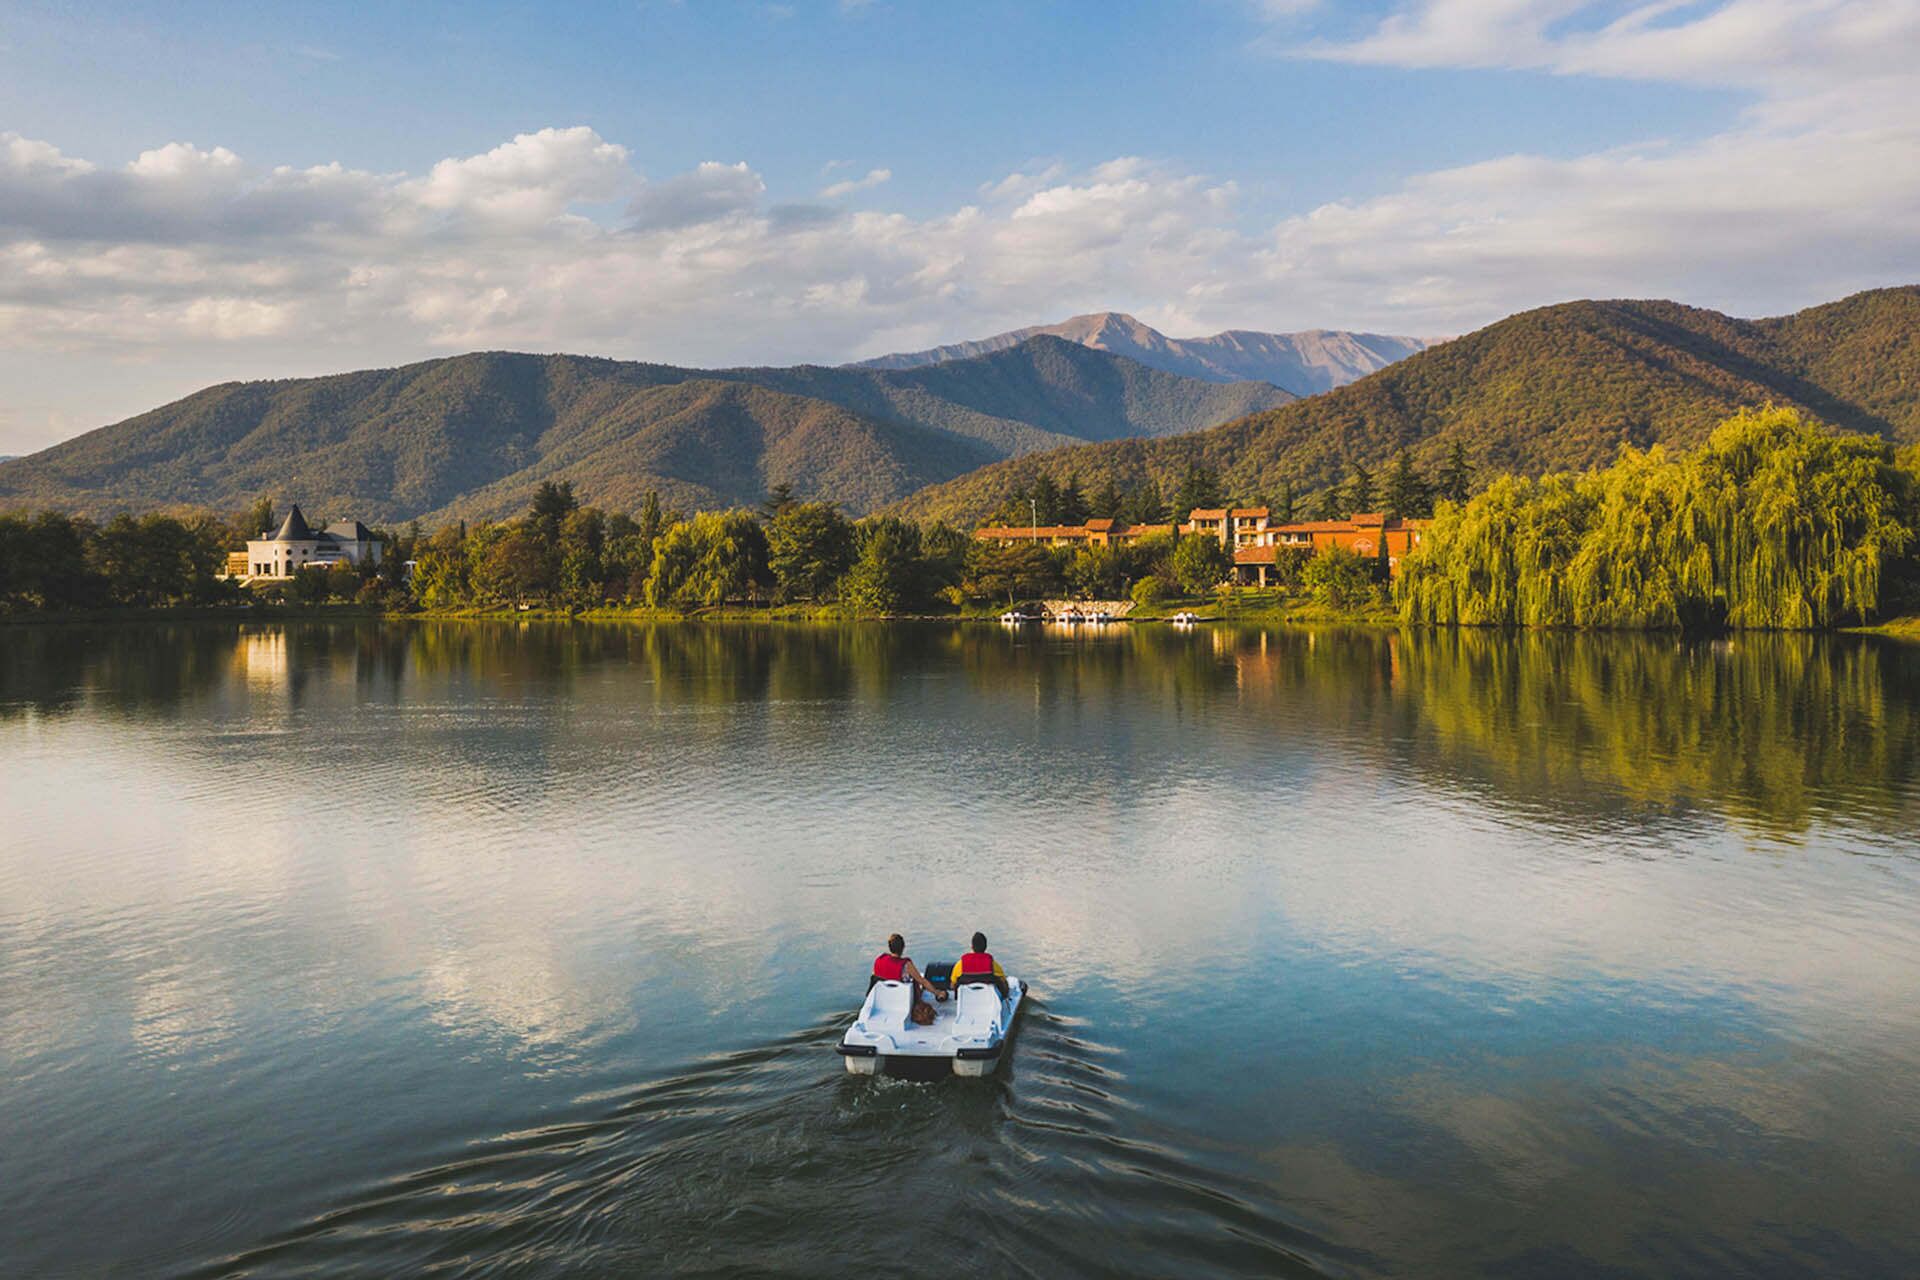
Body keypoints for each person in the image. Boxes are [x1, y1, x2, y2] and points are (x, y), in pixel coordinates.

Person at [871, 933, 946, 1002]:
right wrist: (937, 992)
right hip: (900, 997)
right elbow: (922, 981)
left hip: (883, 996)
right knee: (917, 981)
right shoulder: (906, 965)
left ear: (889, 947)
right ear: (903, 947)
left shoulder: (880, 959)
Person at [955, 931, 1008, 999]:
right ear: (985, 947)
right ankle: (1005, 998)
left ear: (972, 947)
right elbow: (1002, 979)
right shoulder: (992, 964)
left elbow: (952, 983)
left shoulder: (961, 964)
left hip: (966, 999)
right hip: (987, 998)